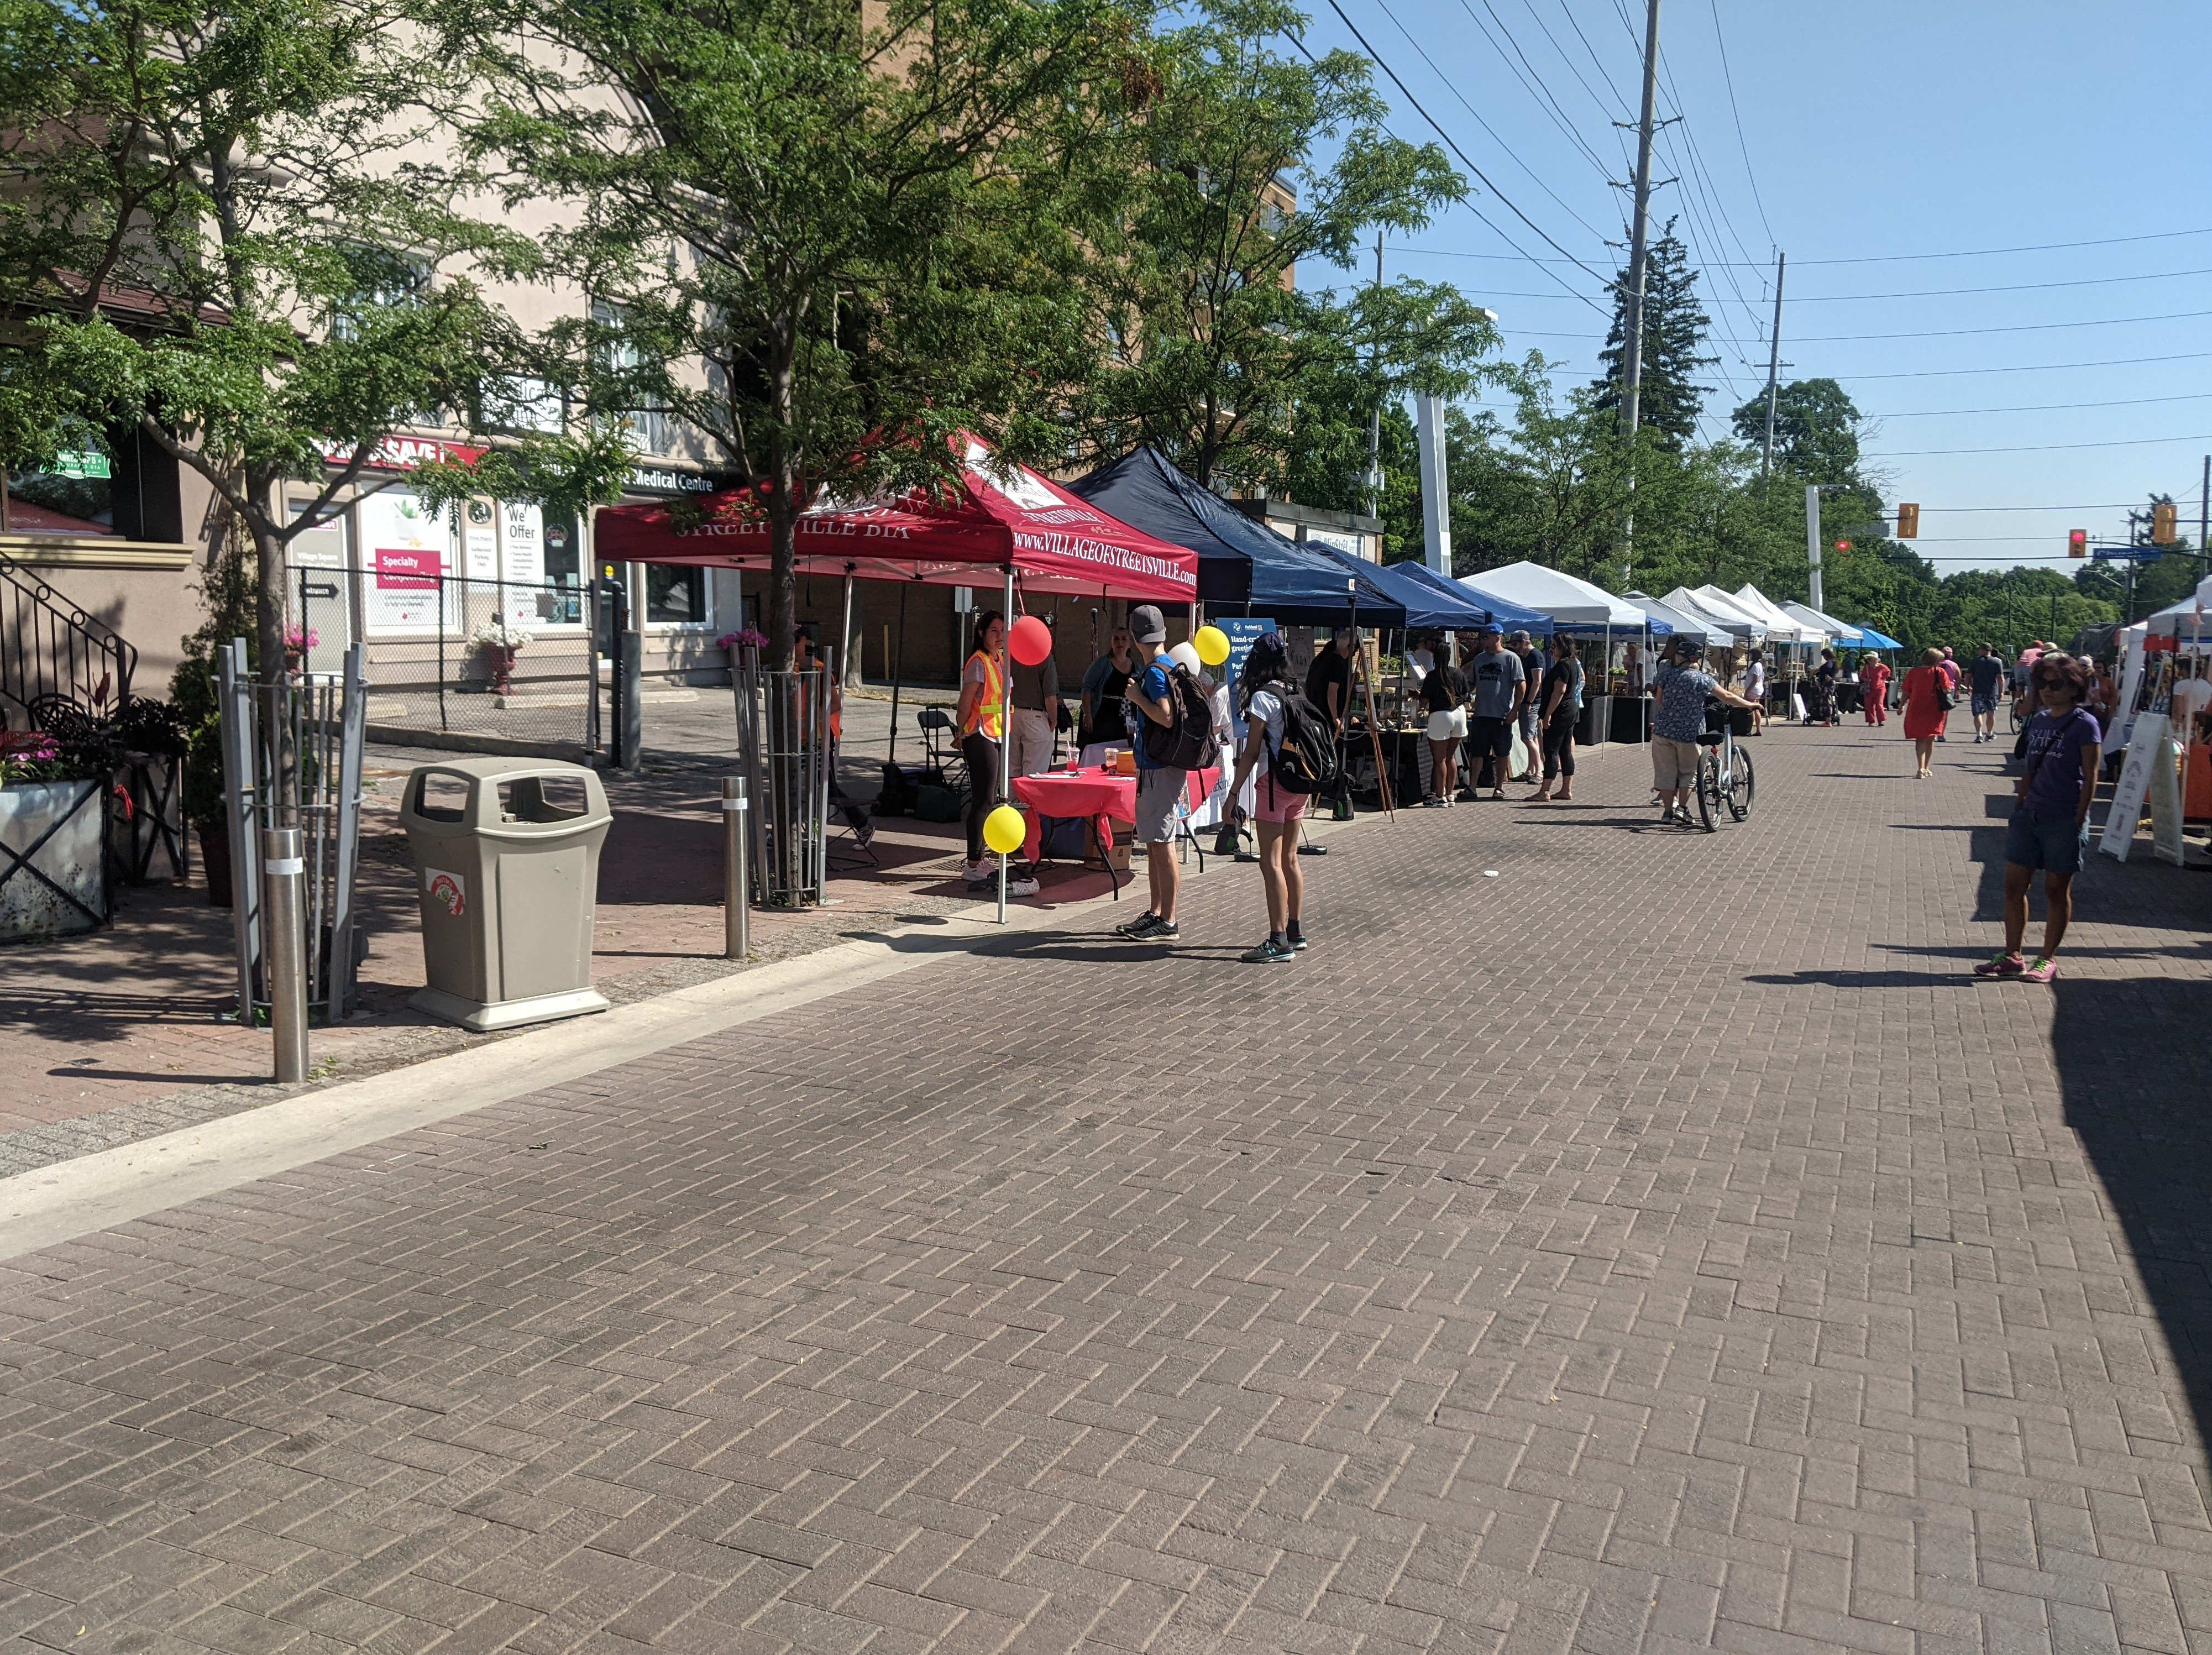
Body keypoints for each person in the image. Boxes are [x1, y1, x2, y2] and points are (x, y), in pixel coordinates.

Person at [1976, 653, 2102, 984]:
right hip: (2030, 813)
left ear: (2074, 688)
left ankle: (2047, 959)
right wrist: (2020, 802)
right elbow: (2032, 767)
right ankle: (2012, 955)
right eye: (2042, 684)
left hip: (2063, 816)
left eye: (2055, 684)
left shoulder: (2085, 724)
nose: (2047, 690)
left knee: (2056, 891)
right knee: (2014, 886)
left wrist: (2079, 816)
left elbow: (2091, 775)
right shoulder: (2042, 720)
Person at [1225, 632, 1310, 962]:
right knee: (1290, 859)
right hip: (1300, 783)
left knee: (1269, 862)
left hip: (1274, 785)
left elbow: (1252, 752)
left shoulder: (1263, 697)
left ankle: (1277, 941)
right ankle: (1295, 931)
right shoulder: (1295, 689)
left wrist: (1233, 794)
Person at [1114, 604, 1189, 941]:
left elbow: (1166, 715)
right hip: (1159, 767)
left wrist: (1135, 696)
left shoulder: (1157, 673)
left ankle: (1168, 920)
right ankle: (1157, 912)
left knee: (1162, 842)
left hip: (1159, 768)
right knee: (1157, 842)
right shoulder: (1169, 665)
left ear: (1135, 636)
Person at [955, 611, 1038, 897]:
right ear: (981, 633)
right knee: (984, 798)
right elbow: (966, 701)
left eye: (1003, 630)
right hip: (979, 734)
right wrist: (961, 732)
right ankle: (974, 861)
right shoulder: (978, 663)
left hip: (997, 733)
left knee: (990, 798)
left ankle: (978, 857)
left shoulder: (1001, 661)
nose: (1000, 635)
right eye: (994, 631)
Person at [1649, 634, 1758, 826]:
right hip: (1689, 732)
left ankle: (1667, 812)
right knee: (1689, 772)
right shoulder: (1702, 679)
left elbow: (1659, 701)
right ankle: (1682, 808)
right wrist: (1749, 705)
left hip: (1663, 730)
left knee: (1666, 773)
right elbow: (1726, 696)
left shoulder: (1666, 676)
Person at [1464, 625, 1524, 799]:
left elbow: (1521, 684)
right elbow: (1472, 684)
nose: (1483, 641)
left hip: (1502, 714)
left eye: (1486, 638)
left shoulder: (1511, 659)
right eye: (1482, 638)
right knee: (1477, 752)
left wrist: (1515, 710)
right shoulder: (1479, 660)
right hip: (1481, 714)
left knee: (1502, 752)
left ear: (1498, 638)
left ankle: (1499, 787)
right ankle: (1472, 787)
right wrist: (1460, 693)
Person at [1532, 631, 1583, 802]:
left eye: (1554, 646)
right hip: (1571, 710)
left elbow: (1559, 691)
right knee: (1565, 750)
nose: (1551, 650)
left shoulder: (1562, 666)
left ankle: (1544, 791)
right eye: (1551, 646)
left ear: (1563, 647)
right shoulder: (1574, 663)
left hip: (1560, 712)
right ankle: (1566, 790)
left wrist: (1548, 714)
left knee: (1552, 750)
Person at [1418, 635, 1467, 806]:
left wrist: (1419, 696)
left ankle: (1439, 797)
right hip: (1460, 714)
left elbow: (1424, 701)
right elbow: (1466, 695)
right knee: (1450, 756)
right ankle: (1450, 794)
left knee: (1439, 760)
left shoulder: (1432, 676)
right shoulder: (1458, 673)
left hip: (1441, 715)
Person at [1007, 624, 1061, 777]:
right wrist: (1054, 719)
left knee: (1011, 771)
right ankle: (1028, 802)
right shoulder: (1045, 658)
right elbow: (1050, 696)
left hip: (1012, 714)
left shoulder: (1012, 655)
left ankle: (1010, 800)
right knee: (1035, 773)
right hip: (1036, 717)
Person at [1078, 625, 1137, 762]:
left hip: (1123, 722)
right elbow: (1087, 688)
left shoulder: (1137, 667)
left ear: (1130, 643)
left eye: (1124, 639)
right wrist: (1088, 714)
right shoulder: (1102, 664)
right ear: (1112, 643)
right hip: (1101, 719)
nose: (1120, 643)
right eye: (1116, 639)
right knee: (1100, 755)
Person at [1902, 646, 1951, 778]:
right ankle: (1926, 767)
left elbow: (1906, 691)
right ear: (1934, 660)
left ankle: (1920, 768)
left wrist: (1901, 706)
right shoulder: (1940, 672)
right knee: (1930, 738)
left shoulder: (1913, 672)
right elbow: (1947, 690)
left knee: (1920, 739)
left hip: (1916, 708)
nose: (1940, 663)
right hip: (1934, 709)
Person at [1510, 630, 1545, 781]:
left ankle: (1539, 772)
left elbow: (1537, 681)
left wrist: (1529, 702)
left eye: (1516, 644)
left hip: (1532, 702)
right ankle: (1530, 770)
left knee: (1527, 738)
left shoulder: (1535, 656)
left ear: (1524, 642)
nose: (1515, 648)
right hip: (1528, 701)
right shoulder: (1527, 657)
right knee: (1533, 736)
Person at [1968, 643, 2006, 744]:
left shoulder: (1975, 661)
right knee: (1990, 713)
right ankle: (1989, 733)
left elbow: (1968, 675)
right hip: (1992, 692)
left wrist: (1968, 687)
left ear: (1984, 650)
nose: (1979, 651)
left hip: (1977, 691)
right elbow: (2000, 678)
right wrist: (2001, 691)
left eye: (1980, 649)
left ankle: (1979, 734)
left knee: (1978, 713)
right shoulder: (1997, 662)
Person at [1935, 647, 1961, 741]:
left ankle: (1933, 733)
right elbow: (1958, 678)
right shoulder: (1954, 665)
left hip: (1935, 689)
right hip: (1949, 690)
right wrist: (1957, 690)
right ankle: (1941, 734)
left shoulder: (1936, 664)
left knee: (1934, 712)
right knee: (1944, 714)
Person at [1741, 649, 1768, 735]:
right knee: (1755, 710)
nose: (1750, 657)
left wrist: (1747, 691)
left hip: (1754, 690)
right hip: (1756, 690)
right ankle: (1756, 730)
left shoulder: (1756, 666)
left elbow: (1755, 680)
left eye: (1751, 655)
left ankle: (1753, 729)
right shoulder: (1758, 665)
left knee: (1753, 709)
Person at [1861, 653, 1892, 727]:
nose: (1868, 660)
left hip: (1880, 688)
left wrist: (1882, 678)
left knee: (1879, 704)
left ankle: (1881, 720)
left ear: (1875, 660)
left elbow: (1888, 673)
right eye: (1868, 659)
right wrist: (1866, 679)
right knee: (1869, 705)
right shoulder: (1866, 668)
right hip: (1870, 688)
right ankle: (1871, 721)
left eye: (1870, 658)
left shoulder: (1882, 667)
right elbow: (1862, 676)